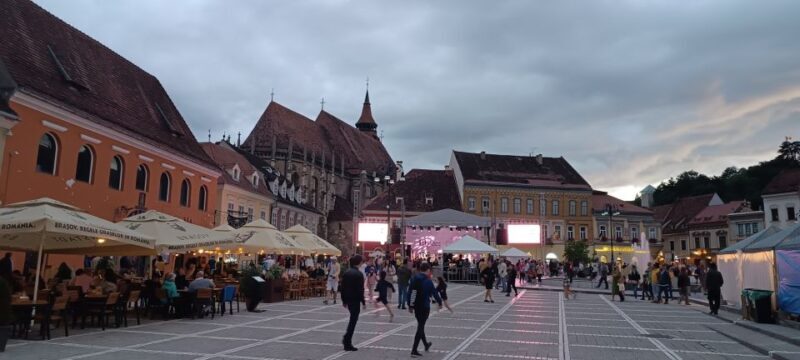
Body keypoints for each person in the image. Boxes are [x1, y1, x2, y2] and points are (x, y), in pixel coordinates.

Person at [407, 262, 442, 357]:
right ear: (427, 270)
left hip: (416, 306)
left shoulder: (414, 279)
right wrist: (440, 302)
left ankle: (426, 344)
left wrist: (410, 305)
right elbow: (434, 293)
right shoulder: (428, 280)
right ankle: (414, 350)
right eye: (429, 270)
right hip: (425, 307)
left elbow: (410, 292)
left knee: (420, 325)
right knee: (420, 327)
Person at [340, 255, 366, 351]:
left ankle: (347, 338)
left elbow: (342, 287)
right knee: (353, 320)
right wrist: (363, 301)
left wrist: (344, 300)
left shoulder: (347, 273)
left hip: (348, 299)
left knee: (352, 319)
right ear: (359, 263)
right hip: (355, 300)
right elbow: (360, 290)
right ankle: (347, 341)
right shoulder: (359, 274)